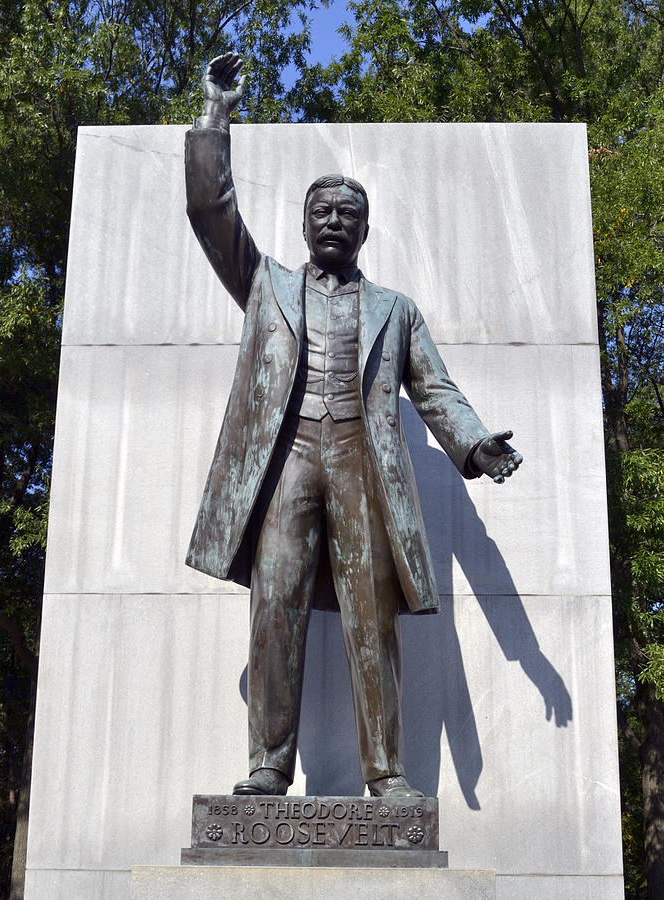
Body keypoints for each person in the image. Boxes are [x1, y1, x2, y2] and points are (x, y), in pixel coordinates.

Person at [185, 53, 522, 799]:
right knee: (274, 606)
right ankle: (268, 766)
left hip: (361, 465)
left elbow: (434, 389)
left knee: (374, 617)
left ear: (363, 232)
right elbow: (212, 215)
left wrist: (474, 443)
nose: (333, 221)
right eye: (322, 213)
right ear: (305, 225)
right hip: (285, 463)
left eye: (347, 215)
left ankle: (388, 773)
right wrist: (216, 114)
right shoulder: (264, 283)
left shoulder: (394, 309)